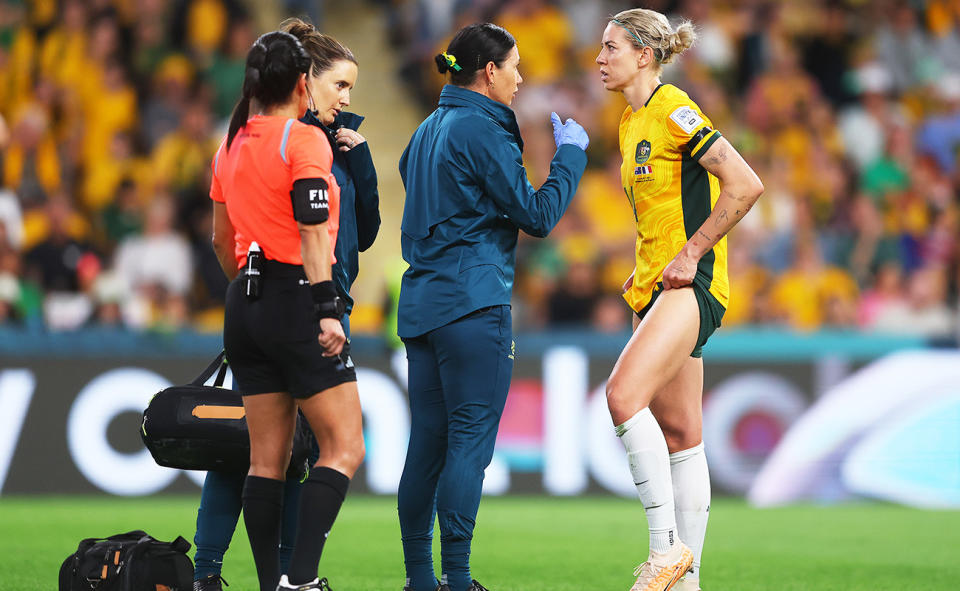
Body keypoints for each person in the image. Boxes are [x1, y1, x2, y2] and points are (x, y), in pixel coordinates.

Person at [396, 22, 589, 591]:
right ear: (488, 71)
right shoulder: (481, 129)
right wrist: (569, 159)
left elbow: (424, 184)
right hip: (473, 303)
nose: (521, 77)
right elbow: (537, 215)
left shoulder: (427, 130)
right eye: (514, 66)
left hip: (422, 305)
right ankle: (457, 578)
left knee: (426, 445)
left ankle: (419, 579)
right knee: (470, 442)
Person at [192, 20, 379, 591]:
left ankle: (271, 582)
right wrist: (324, 307)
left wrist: (251, 288)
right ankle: (301, 581)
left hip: (243, 305)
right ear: (303, 83)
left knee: (263, 461)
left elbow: (223, 241)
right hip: (298, 299)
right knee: (345, 447)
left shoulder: (232, 143)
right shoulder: (303, 141)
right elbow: (314, 230)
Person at [596, 9, 764, 591]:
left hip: (690, 284)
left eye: (611, 47)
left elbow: (745, 183)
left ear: (644, 55)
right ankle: (687, 583)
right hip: (655, 288)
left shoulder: (674, 110)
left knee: (622, 396)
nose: (600, 58)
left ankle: (666, 550)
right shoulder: (628, 122)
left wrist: (692, 254)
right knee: (681, 435)